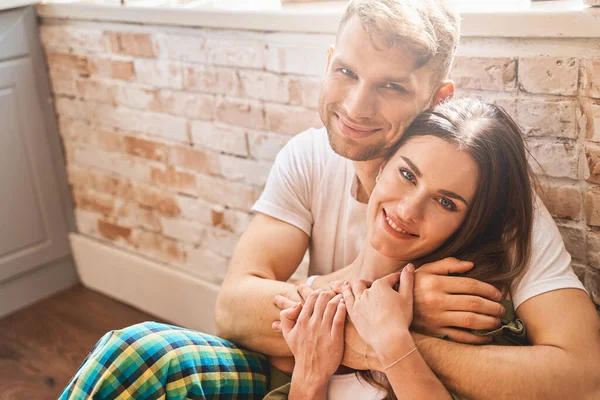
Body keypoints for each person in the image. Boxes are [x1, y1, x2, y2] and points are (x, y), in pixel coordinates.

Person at [59, 0, 600, 398]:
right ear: (328, 63)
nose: (356, 107)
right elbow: (234, 307)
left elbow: (583, 376)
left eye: (391, 87)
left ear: (438, 100)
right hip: (303, 368)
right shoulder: (306, 155)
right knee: (135, 355)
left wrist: (394, 338)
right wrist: (389, 304)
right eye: (346, 72)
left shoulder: (489, 192)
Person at [263, 97, 534, 399]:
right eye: (407, 175)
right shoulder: (311, 315)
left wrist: (392, 342)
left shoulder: (473, 320)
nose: (408, 210)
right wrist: (309, 378)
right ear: (382, 166)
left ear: (471, 225)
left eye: (446, 203)